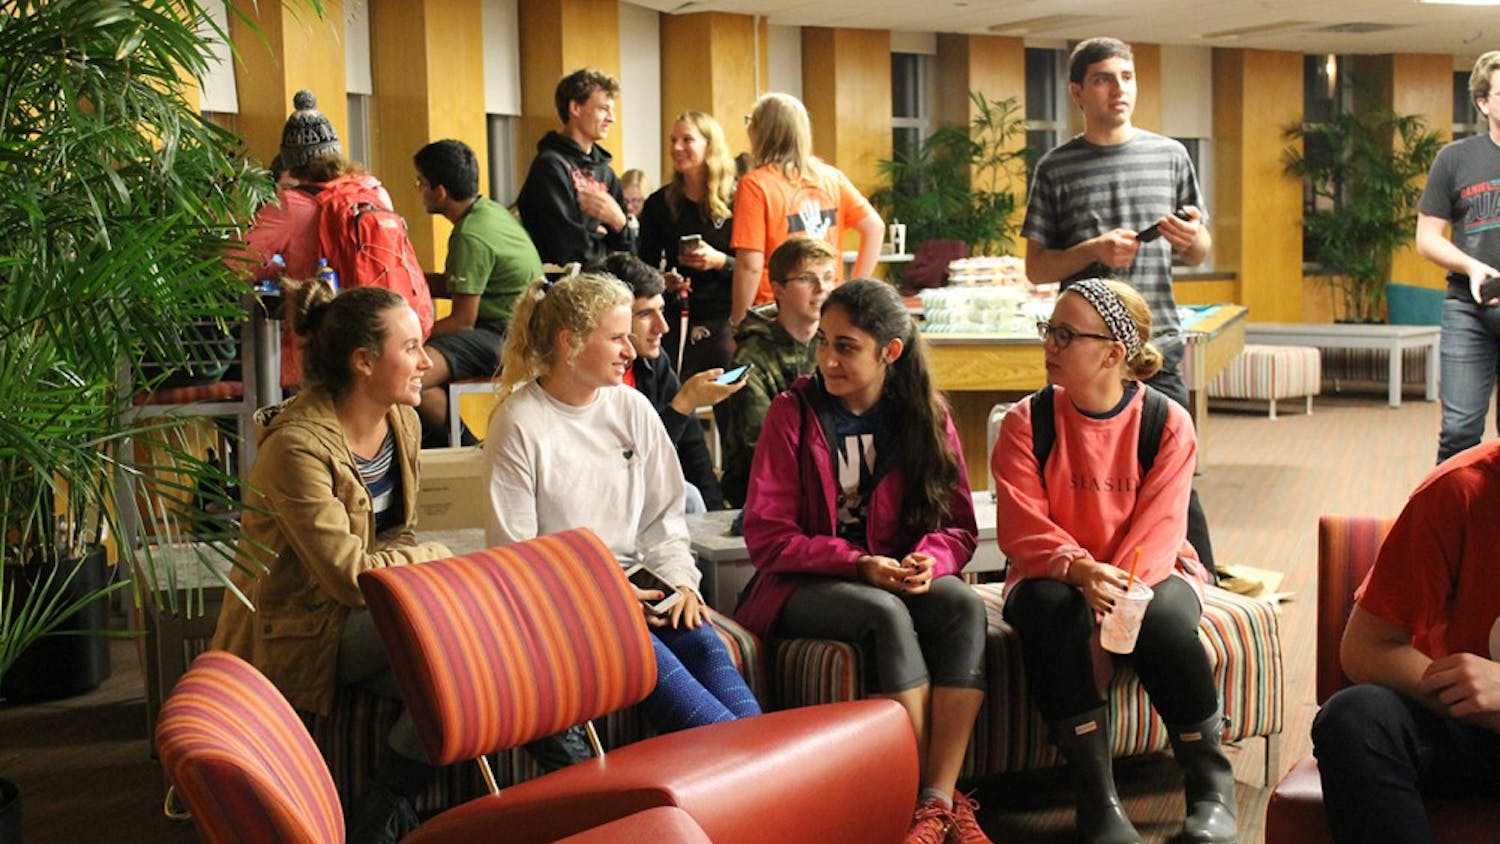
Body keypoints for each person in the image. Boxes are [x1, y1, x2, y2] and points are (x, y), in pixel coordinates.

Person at [738, 279, 991, 844]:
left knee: (963, 607)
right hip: (800, 584)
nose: (827, 358)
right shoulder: (792, 413)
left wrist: (928, 561)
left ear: (890, 352)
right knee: (885, 613)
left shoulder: (926, 414)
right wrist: (859, 563)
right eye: (824, 341)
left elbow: (958, 528)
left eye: (846, 346)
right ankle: (913, 804)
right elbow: (769, 538)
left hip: (892, 574)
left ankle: (937, 801)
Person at [992, 279, 1232, 844]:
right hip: (1054, 573)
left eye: (1066, 334)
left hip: (1148, 571)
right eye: (1048, 330)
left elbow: (1162, 528)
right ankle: (1097, 798)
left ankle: (1210, 785)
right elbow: (1022, 527)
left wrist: (1113, 607)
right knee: (1051, 612)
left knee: (1165, 622)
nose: (1050, 344)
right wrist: (1079, 571)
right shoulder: (1026, 422)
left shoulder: (1167, 421)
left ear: (1114, 353)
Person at [209, 282, 451, 842]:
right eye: (410, 347)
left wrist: (408, 560)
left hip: (365, 610)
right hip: (299, 629)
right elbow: (348, 576)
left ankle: (375, 819)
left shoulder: (402, 422)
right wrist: (434, 559)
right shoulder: (296, 447)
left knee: (453, 681)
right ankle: (576, 773)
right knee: (455, 645)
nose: (425, 361)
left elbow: (397, 535)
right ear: (364, 362)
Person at [483, 272, 761, 735]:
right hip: (568, 601)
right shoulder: (518, 423)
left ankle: (762, 787)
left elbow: (665, 518)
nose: (631, 352)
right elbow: (516, 556)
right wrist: (605, 598)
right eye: (616, 338)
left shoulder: (631, 407)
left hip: (644, 585)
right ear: (569, 342)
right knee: (690, 704)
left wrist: (682, 584)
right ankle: (756, 790)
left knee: (713, 656)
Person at [1021, 37, 1218, 575]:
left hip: (1157, 347)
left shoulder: (1171, 155)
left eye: (1127, 77)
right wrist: (1092, 251)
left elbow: (1201, 251)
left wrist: (1190, 237)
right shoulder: (1055, 168)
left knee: (1176, 476)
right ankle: (1096, 573)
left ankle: (1203, 584)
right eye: (1106, 79)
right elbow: (1037, 267)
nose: (1120, 89)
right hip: (1087, 353)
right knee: (1088, 479)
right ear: (1078, 92)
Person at [1310, 439, 1500, 844]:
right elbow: (1366, 647)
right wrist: (1467, 698)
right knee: (1355, 718)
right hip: (1461, 727)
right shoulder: (1460, 489)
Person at [241, 90, 401, 388]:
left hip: (318, 338)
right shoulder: (373, 191)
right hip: (379, 329)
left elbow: (235, 261)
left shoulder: (289, 204)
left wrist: (279, 272)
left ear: (290, 162)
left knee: (316, 422)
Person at [411, 138, 544, 442]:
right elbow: (466, 283)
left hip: (505, 336)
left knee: (409, 372)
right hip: (521, 328)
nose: (418, 189)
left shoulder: (470, 235)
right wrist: (415, 279)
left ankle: (473, 449)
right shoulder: (491, 212)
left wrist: (409, 337)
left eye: (421, 182)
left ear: (440, 192)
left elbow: (461, 322)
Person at [602, 252, 744, 511]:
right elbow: (633, 463)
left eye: (662, 310)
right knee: (687, 496)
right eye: (645, 314)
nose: (663, 327)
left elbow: (693, 450)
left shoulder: (653, 361)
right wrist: (683, 403)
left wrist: (716, 518)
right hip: (608, 500)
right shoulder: (594, 376)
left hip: (646, 497)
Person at [730, 92, 883, 326]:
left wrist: (739, 321)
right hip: (825, 305)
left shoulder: (755, 184)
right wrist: (853, 292)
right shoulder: (832, 178)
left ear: (761, 131)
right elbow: (874, 227)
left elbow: (750, 265)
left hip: (776, 311)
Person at [1415, 51, 1500, 462]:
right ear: (1484, 103)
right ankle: (1445, 525)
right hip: (1469, 308)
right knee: (1459, 429)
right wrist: (1470, 266)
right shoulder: (1455, 159)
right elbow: (1427, 238)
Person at [717, 235, 833, 508]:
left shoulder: (836, 345)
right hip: (764, 497)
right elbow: (760, 449)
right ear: (778, 289)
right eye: (807, 279)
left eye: (829, 277)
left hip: (830, 484)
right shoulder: (749, 359)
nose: (821, 289)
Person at [636, 111, 738, 379]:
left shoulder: (737, 200)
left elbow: (756, 268)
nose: (676, 148)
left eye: (687, 140)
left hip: (724, 317)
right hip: (675, 317)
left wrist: (719, 261)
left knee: (728, 397)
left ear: (709, 145)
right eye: (673, 140)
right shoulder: (660, 203)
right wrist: (663, 280)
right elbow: (643, 265)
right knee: (674, 399)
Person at [515, 68, 636, 266]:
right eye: (603, 109)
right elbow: (567, 249)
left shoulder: (606, 172)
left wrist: (618, 222)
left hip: (608, 286)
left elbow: (629, 254)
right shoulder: (549, 167)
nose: (612, 118)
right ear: (575, 108)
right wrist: (601, 237)